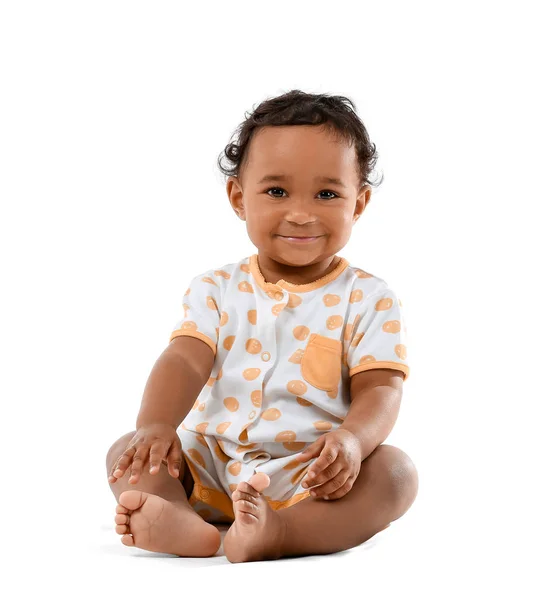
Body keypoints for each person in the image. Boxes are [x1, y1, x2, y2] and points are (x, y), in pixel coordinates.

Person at [105, 89, 419, 563]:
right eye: (276, 191)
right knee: (128, 452)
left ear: (358, 203)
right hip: (208, 462)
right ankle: (175, 513)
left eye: (327, 194)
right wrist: (155, 425)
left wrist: (353, 442)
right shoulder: (216, 288)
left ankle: (283, 530)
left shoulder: (368, 299)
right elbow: (186, 358)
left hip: (311, 473)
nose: (300, 212)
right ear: (238, 197)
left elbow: (382, 388)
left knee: (396, 475)